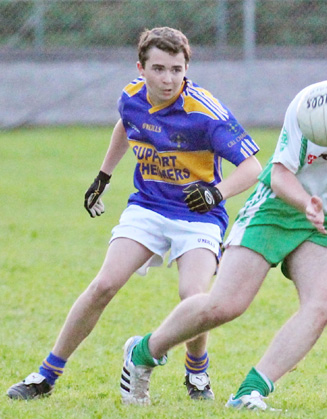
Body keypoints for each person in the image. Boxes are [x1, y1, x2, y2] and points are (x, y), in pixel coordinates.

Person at [115, 22, 327, 410]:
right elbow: (278, 175)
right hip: (275, 207)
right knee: (225, 305)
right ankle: (143, 352)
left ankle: (250, 392)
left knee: (325, 304)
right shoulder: (311, 103)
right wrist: (304, 202)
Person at [6, 27, 262, 404]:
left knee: (194, 296)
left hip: (197, 216)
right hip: (148, 206)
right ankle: (46, 374)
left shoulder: (206, 113)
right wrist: (104, 175)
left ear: (187, 68)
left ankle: (197, 372)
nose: (168, 79)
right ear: (140, 68)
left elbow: (254, 168)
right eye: (158, 68)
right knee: (104, 285)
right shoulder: (130, 96)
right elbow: (127, 126)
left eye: (177, 69)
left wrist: (215, 193)